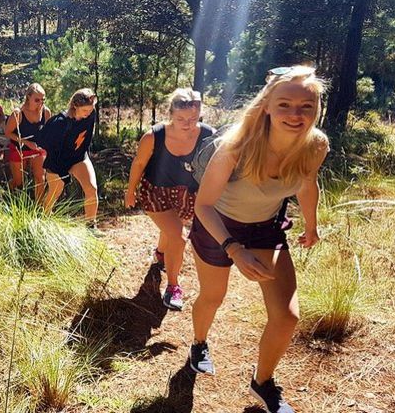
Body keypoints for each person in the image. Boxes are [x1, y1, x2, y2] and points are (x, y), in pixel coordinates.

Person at [189, 66, 329, 413]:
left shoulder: (316, 146)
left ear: (317, 109)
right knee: (212, 296)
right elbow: (203, 205)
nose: (295, 115)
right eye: (285, 105)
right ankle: (199, 343)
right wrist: (234, 249)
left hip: (266, 227)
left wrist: (311, 226)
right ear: (267, 105)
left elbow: (308, 185)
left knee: (287, 315)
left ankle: (262, 382)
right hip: (218, 226)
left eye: (306, 106)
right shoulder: (234, 147)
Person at [124, 89, 215, 311]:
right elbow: (138, 164)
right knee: (179, 236)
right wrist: (130, 191)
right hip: (156, 192)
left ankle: (161, 255)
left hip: (187, 194)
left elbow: (218, 167)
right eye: (181, 118)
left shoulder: (208, 135)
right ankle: (173, 287)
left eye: (193, 119)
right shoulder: (154, 136)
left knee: (171, 231)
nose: (187, 123)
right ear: (171, 113)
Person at [38, 88, 98, 223]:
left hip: (78, 157)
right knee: (54, 193)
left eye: (90, 110)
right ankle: (44, 222)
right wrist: (61, 171)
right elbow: (43, 141)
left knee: (91, 188)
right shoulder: (59, 122)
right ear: (75, 106)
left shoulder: (91, 114)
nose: (88, 114)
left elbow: (86, 139)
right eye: (85, 111)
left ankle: (91, 225)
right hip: (57, 162)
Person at [5, 83, 51, 199]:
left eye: (43, 100)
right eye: (37, 100)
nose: (40, 103)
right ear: (28, 97)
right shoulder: (18, 113)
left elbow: (48, 132)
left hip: (37, 149)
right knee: (18, 181)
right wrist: (26, 142)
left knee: (40, 178)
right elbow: (8, 132)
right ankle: (6, 193)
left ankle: (38, 208)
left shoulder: (46, 112)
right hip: (19, 148)